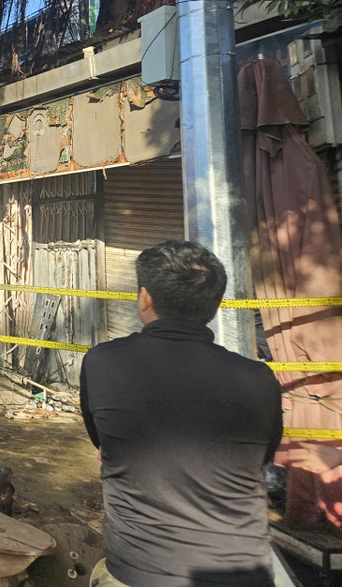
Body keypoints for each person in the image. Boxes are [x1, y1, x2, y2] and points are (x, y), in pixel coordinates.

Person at [80, 240, 283, 587]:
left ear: (145, 298)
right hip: (244, 574)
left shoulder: (103, 362)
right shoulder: (259, 379)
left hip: (137, 573)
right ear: (214, 305)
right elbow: (263, 458)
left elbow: (102, 442)